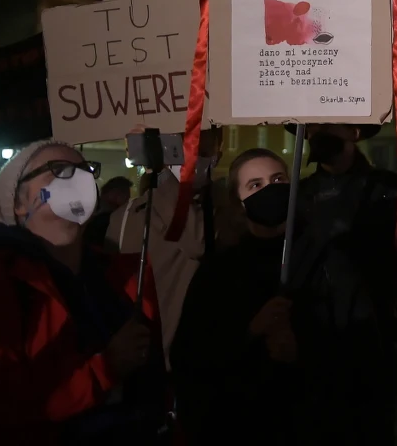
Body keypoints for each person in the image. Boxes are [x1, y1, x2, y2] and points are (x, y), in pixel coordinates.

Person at [0, 140, 170, 443]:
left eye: (86, 170)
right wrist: (105, 369)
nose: (80, 179)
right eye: (59, 170)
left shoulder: (126, 275)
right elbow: (2, 406)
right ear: (18, 202)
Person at [293, 122, 397, 443]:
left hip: (373, 342)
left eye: (331, 123)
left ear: (355, 131)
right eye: (315, 124)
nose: (320, 130)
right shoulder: (299, 198)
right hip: (312, 346)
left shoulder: (390, 191)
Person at [170, 148, 302, 444]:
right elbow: (191, 357)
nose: (271, 189)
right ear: (237, 202)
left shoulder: (321, 260)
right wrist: (251, 331)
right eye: (255, 185)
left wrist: (303, 350)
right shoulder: (218, 273)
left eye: (278, 179)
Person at [107, 127, 244, 360]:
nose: (188, 152)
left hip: (200, 361)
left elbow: (197, 241)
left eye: (200, 142)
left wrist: (165, 177)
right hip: (147, 364)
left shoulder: (225, 208)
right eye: (176, 144)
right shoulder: (128, 215)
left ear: (217, 150)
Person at [85, 175, 132, 248]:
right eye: (126, 195)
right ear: (115, 193)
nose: (127, 201)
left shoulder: (91, 213)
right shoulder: (110, 220)